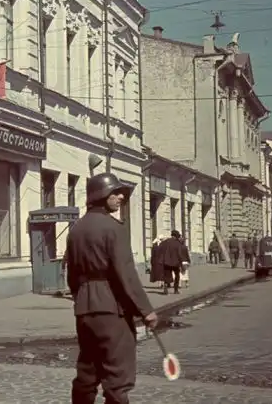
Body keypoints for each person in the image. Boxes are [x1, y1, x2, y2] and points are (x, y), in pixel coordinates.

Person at [65, 172, 158, 404]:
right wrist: (146, 310)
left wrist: (82, 297)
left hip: (84, 308)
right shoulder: (113, 228)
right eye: (115, 193)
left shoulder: (76, 230)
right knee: (117, 374)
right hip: (111, 308)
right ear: (101, 195)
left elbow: (72, 276)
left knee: (87, 370)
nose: (121, 197)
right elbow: (125, 273)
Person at [158, 230, 188, 295]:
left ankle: (165, 288)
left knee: (166, 276)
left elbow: (160, 249)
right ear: (176, 236)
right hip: (175, 263)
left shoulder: (165, 242)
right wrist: (181, 263)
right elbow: (180, 254)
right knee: (177, 276)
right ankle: (176, 290)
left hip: (166, 262)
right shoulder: (178, 243)